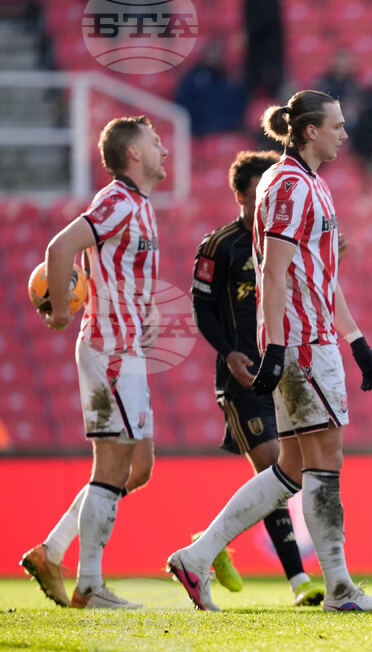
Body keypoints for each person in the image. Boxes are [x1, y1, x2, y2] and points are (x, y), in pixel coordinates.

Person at [167, 90, 372, 612]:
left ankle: (197, 556)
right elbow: (274, 268)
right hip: (304, 342)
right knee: (326, 460)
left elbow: (317, 273)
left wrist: (357, 338)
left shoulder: (302, 182)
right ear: (311, 131)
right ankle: (339, 588)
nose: (345, 133)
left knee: (291, 468)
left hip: (309, 336)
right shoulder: (293, 186)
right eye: (336, 125)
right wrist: (275, 345)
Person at [20, 116, 169, 609]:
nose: (163, 147)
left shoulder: (141, 206)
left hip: (129, 349)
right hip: (108, 351)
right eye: (154, 141)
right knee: (112, 464)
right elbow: (59, 247)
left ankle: (52, 551)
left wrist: (144, 316)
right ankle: (90, 584)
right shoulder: (115, 201)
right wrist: (61, 312)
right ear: (133, 154)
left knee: (139, 467)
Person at [190, 150, 340, 606]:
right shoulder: (219, 246)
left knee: (285, 471)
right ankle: (300, 582)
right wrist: (229, 352)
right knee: (279, 464)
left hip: (287, 366)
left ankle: (206, 546)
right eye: (258, 195)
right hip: (243, 377)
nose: (267, 203)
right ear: (240, 195)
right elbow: (202, 309)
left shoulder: (285, 235)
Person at [313, 50, 369, 132]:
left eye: (345, 63)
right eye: (340, 63)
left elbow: (363, 103)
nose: (342, 66)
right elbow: (317, 103)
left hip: (353, 126)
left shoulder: (356, 83)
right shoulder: (323, 83)